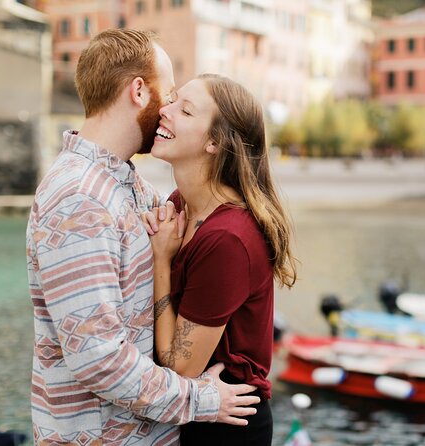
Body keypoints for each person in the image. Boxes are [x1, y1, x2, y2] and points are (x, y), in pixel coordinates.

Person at [26, 30, 260, 445]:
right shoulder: (78, 199)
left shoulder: (127, 185)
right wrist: (202, 401)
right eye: (168, 94)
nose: (168, 108)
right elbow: (99, 360)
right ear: (138, 91)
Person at [144, 73, 298, 445]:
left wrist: (161, 262)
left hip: (229, 425)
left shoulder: (227, 238)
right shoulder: (182, 203)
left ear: (214, 142)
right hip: (199, 410)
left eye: (185, 110)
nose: (164, 110)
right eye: (173, 100)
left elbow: (180, 365)